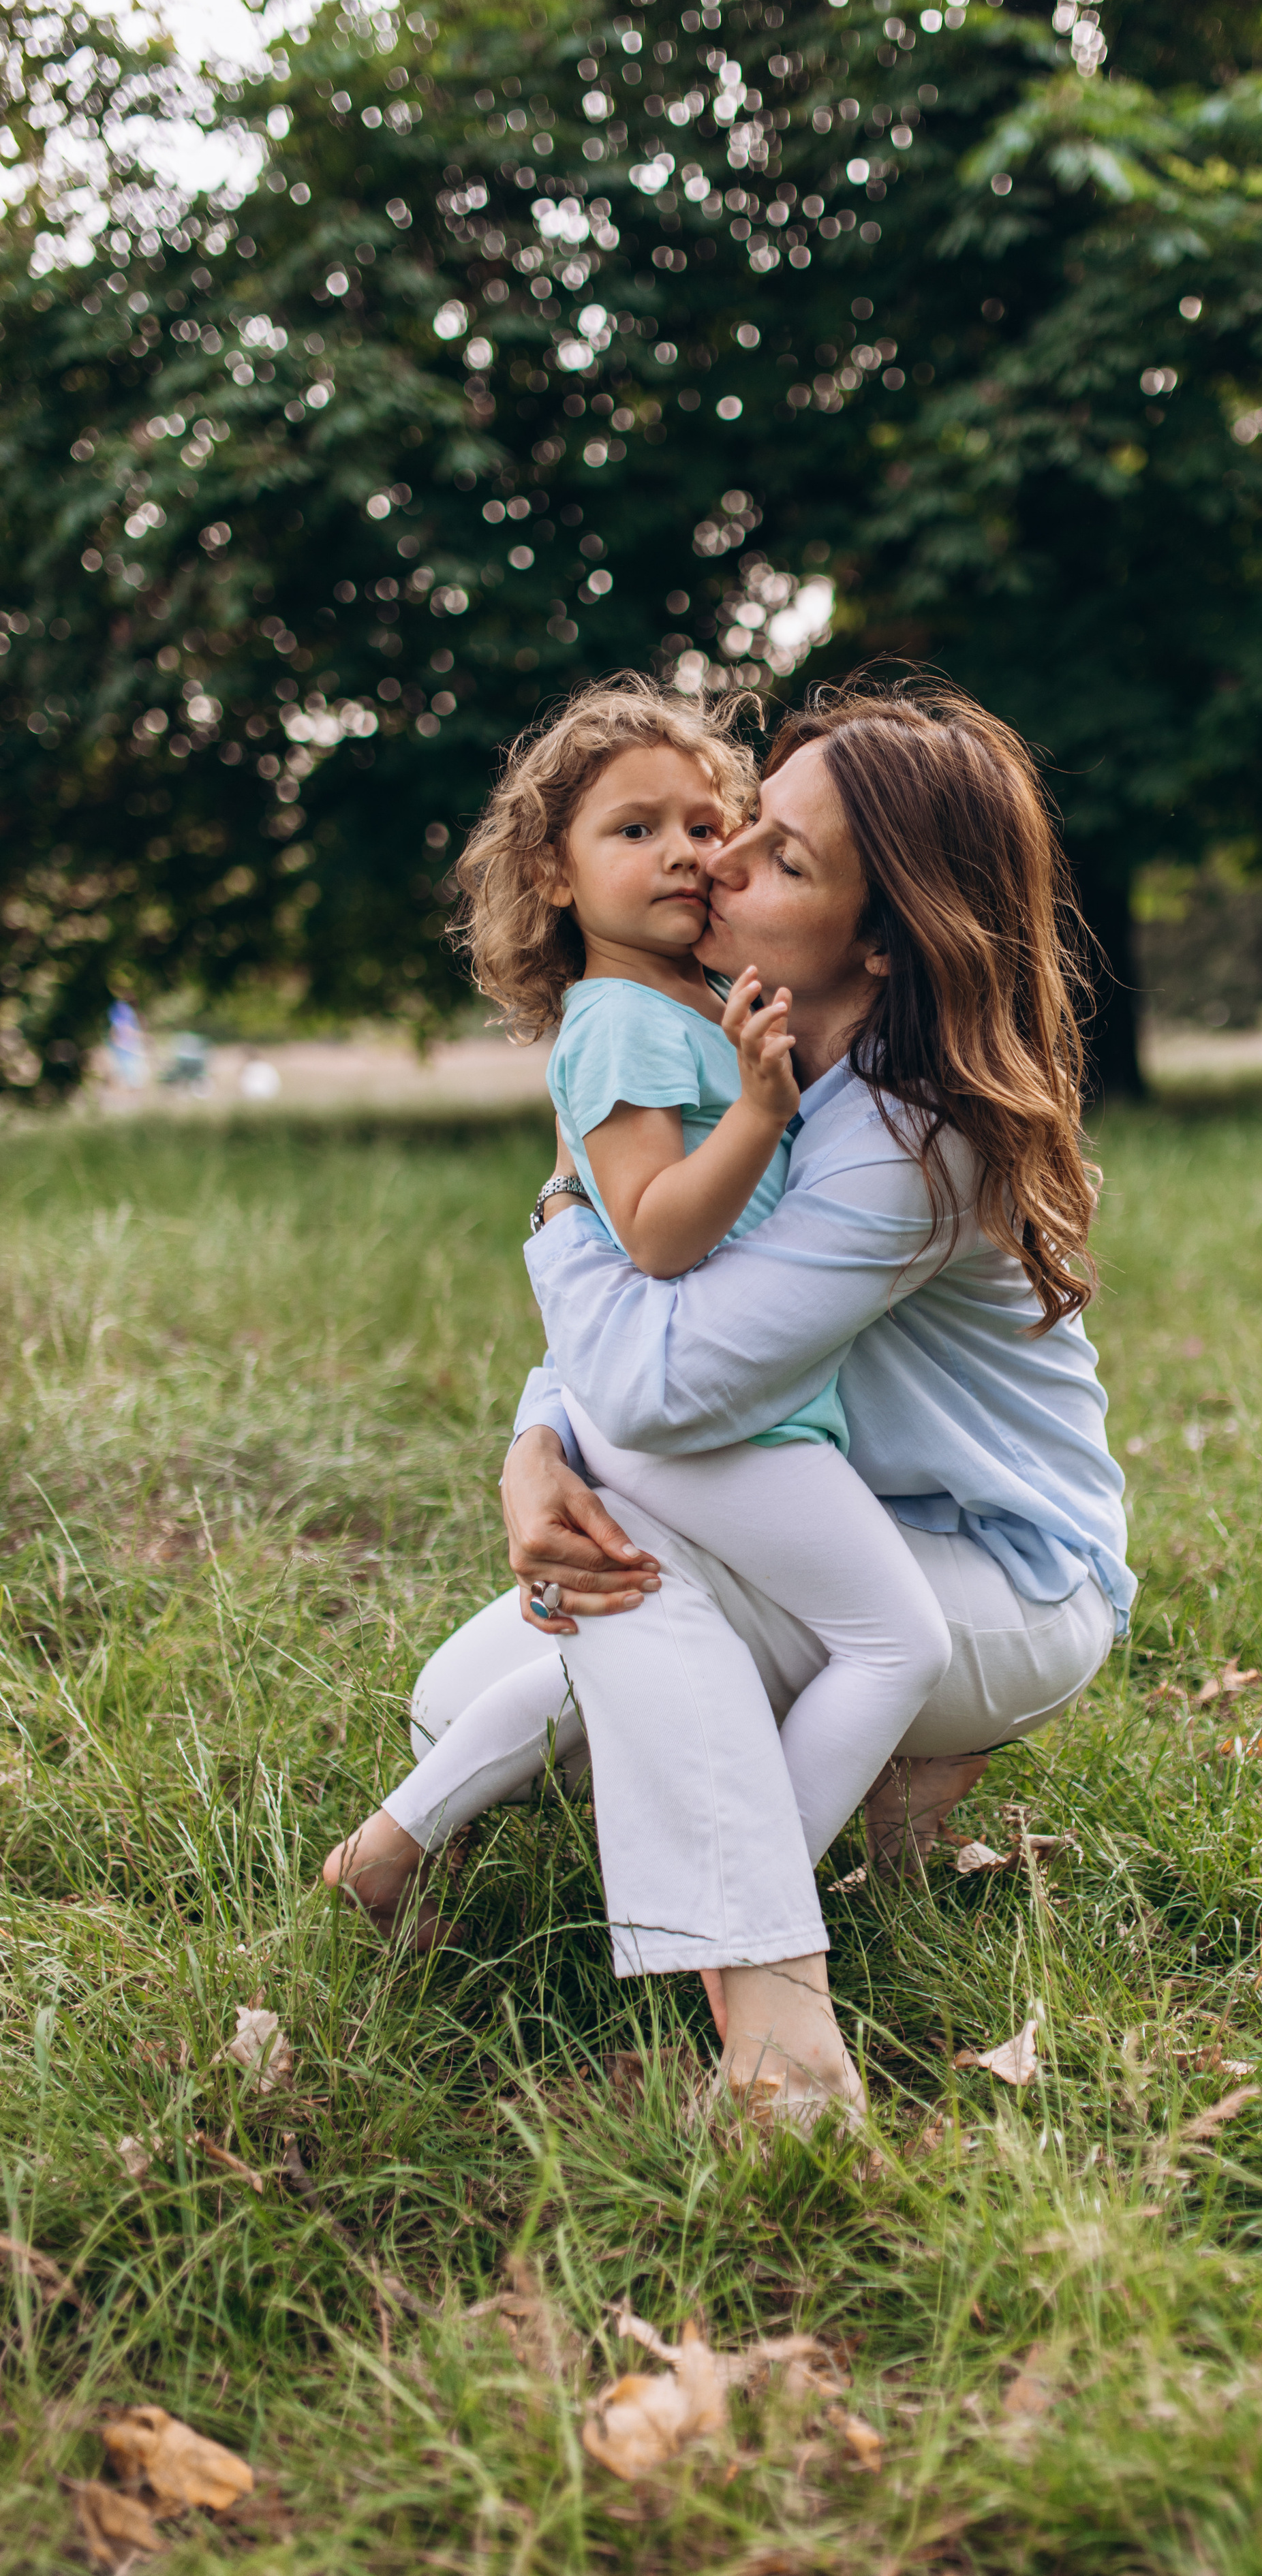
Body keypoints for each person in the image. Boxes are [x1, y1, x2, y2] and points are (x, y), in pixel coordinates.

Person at [337, 678, 1134, 2124]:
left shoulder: (905, 1139)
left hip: (997, 1574)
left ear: (882, 937)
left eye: (777, 855)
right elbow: (666, 1311)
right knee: (465, 1691)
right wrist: (533, 1444)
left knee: (639, 1576)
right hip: (794, 1495)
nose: (716, 860)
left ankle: (775, 2026)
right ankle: (842, 1798)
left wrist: (556, 1222)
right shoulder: (743, 1052)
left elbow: (658, 1389)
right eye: (741, 822)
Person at [324, 682, 953, 1927]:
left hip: (726, 1408)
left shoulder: (691, 1006)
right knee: (899, 1644)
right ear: (553, 876)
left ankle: (391, 1847)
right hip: (717, 1424)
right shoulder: (617, 1023)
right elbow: (657, 1233)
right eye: (633, 829)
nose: (683, 852)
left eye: (704, 824)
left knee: (628, 1647)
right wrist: (762, 1113)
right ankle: (746, 1906)